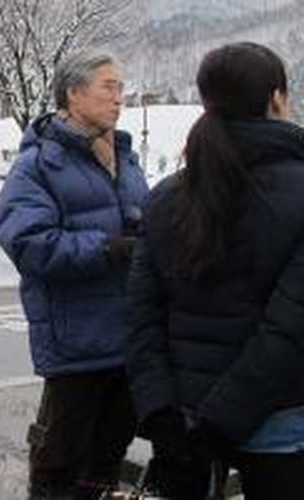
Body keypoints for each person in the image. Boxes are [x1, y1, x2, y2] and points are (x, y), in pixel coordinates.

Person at [127, 42, 304, 499]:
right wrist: (225, 418)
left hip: (186, 416)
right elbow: (288, 330)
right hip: (282, 417)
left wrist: (159, 409)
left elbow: (142, 316)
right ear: (278, 99)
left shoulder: (167, 195)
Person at [0, 51, 148, 499]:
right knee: (60, 462)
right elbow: (28, 242)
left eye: (121, 88)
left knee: (108, 456)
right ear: (73, 93)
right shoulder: (38, 164)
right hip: (75, 337)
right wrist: (108, 248)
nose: (119, 98)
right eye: (109, 87)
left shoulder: (125, 155)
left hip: (127, 334)